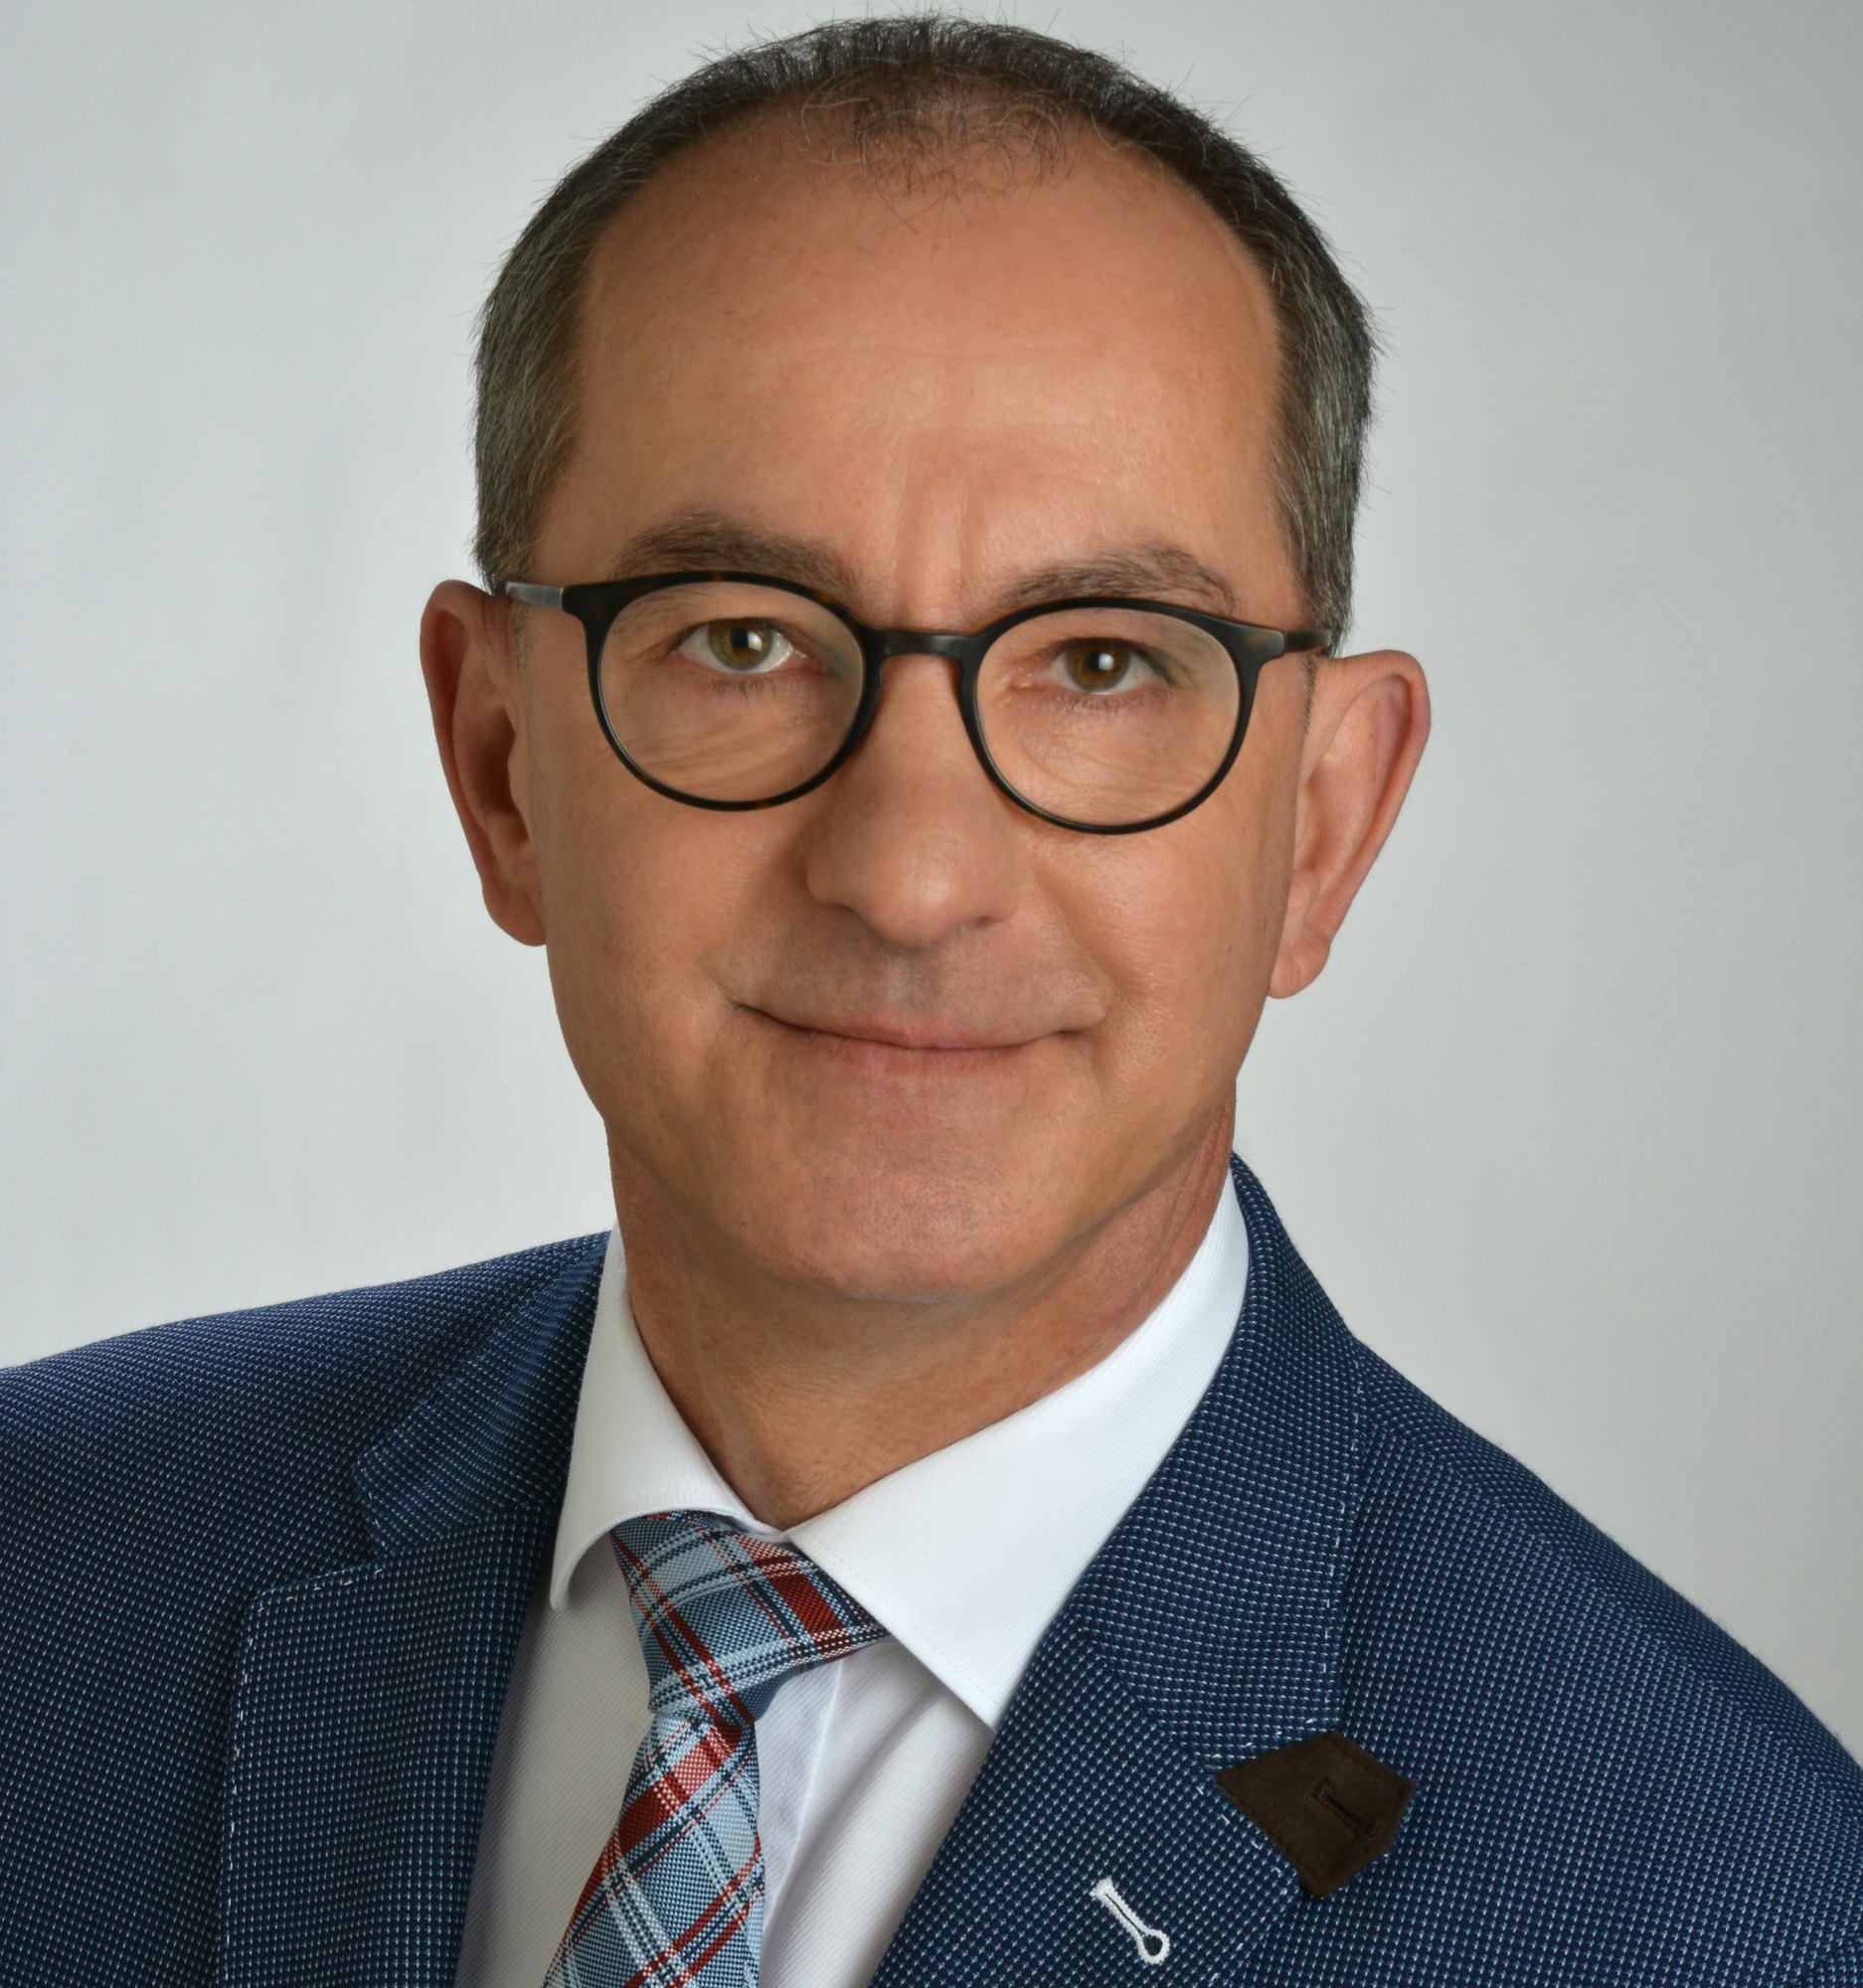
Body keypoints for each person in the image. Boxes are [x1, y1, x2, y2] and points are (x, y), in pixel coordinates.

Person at [3, 14, 1858, 1987]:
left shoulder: (1734, 1916)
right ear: (500, 764)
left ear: (1322, 827)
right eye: (741, 640)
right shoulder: (49, 1568)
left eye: (1104, 664)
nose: (908, 876)